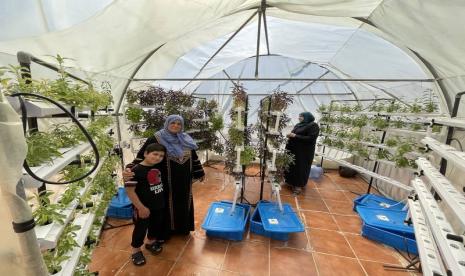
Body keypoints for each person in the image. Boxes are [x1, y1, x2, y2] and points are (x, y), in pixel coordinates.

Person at [123, 115, 205, 238]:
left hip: (184, 182)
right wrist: (129, 169)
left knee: (183, 203)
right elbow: (142, 156)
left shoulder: (185, 139)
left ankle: (182, 229)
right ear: (167, 123)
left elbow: (193, 157)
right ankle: (166, 232)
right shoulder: (156, 138)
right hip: (165, 181)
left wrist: (200, 172)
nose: (176, 126)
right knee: (166, 205)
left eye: (179, 124)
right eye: (173, 123)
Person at [124, 143, 166, 266]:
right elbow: (129, 191)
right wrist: (141, 208)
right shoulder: (135, 171)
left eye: (161, 156)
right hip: (143, 207)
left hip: (158, 205)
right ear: (146, 154)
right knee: (140, 228)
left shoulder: (158, 167)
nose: (158, 157)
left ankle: (151, 242)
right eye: (155, 154)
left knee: (155, 225)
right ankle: (136, 250)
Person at [284, 112, 320, 195]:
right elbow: (294, 133)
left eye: (301, 116)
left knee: (300, 167)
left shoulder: (313, 126)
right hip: (293, 149)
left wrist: (295, 136)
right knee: (292, 166)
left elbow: (311, 138)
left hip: (303, 152)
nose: (299, 118)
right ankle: (290, 182)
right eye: (299, 116)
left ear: (307, 117)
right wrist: (290, 135)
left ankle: (298, 186)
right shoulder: (298, 125)